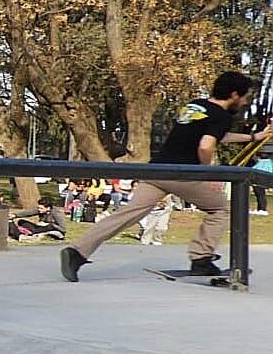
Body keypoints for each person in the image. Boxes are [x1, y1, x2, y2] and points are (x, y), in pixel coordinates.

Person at [61, 71, 273, 281]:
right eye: (245, 97)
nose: (245, 101)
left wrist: (254, 137)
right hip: (182, 173)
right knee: (221, 207)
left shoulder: (196, 106)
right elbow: (206, 145)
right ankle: (201, 258)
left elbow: (214, 136)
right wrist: (207, 172)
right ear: (234, 95)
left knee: (127, 214)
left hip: (158, 170)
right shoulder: (222, 116)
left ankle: (77, 252)